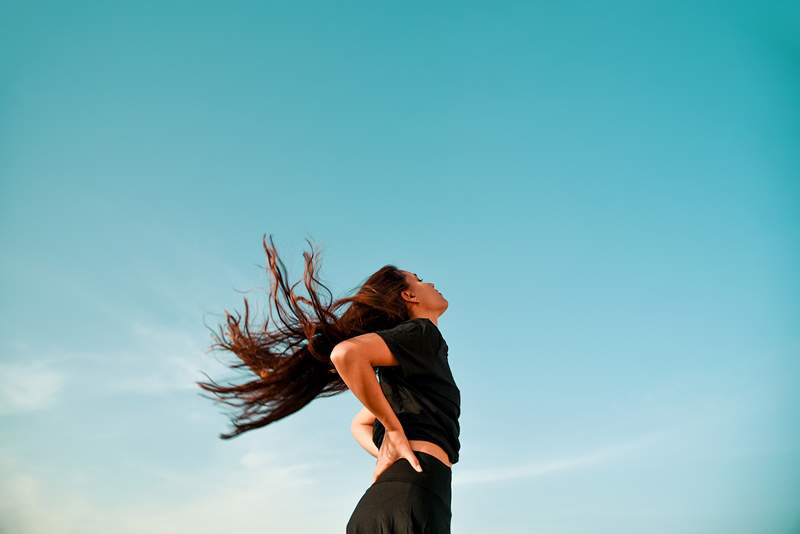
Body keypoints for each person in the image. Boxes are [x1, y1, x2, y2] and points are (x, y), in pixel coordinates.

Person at [195, 234, 460, 533]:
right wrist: (395, 431)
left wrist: (391, 448)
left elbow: (359, 425)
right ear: (409, 297)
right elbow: (346, 353)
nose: (431, 283)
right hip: (413, 499)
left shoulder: (413, 366)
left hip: (386, 502)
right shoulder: (424, 333)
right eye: (419, 280)